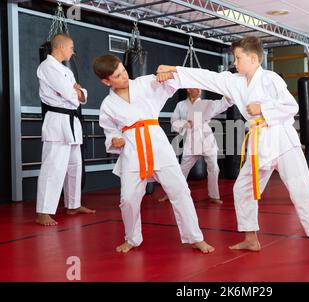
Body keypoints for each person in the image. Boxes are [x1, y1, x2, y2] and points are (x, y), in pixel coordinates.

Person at [156, 36, 309, 265]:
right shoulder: (235, 81)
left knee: (302, 191)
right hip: (258, 144)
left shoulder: (270, 79)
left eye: (238, 58)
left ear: (253, 58)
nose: (235, 62)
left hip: (282, 140)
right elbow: (208, 78)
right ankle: (251, 238)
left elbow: (292, 106)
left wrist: (263, 108)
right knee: (242, 189)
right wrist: (174, 70)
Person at [93, 54, 214, 254]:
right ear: (106, 81)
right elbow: (109, 130)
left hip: (157, 145)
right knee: (128, 199)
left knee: (180, 191)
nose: (124, 76)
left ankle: (195, 237)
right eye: (117, 76)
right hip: (132, 149)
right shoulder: (108, 104)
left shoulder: (144, 83)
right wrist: (113, 139)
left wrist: (166, 76)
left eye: (123, 71)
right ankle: (132, 238)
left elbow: (173, 83)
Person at [36, 33, 95, 226]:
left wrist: (78, 92)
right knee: (52, 167)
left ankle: (73, 204)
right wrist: (76, 92)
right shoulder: (47, 67)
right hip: (57, 120)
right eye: (71, 47)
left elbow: (83, 95)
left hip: (71, 121)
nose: (72, 51)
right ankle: (43, 212)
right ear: (61, 47)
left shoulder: (66, 70)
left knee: (75, 165)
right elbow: (71, 93)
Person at [158, 88, 231, 204]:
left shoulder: (207, 103)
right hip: (191, 139)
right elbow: (174, 120)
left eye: (200, 89)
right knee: (182, 169)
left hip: (207, 138)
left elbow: (222, 104)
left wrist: (230, 94)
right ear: (188, 89)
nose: (199, 90)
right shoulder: (181, 105)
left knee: (214, 168)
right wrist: (185, 124)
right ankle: (171, 194)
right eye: (195, 88)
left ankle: (214, 196)